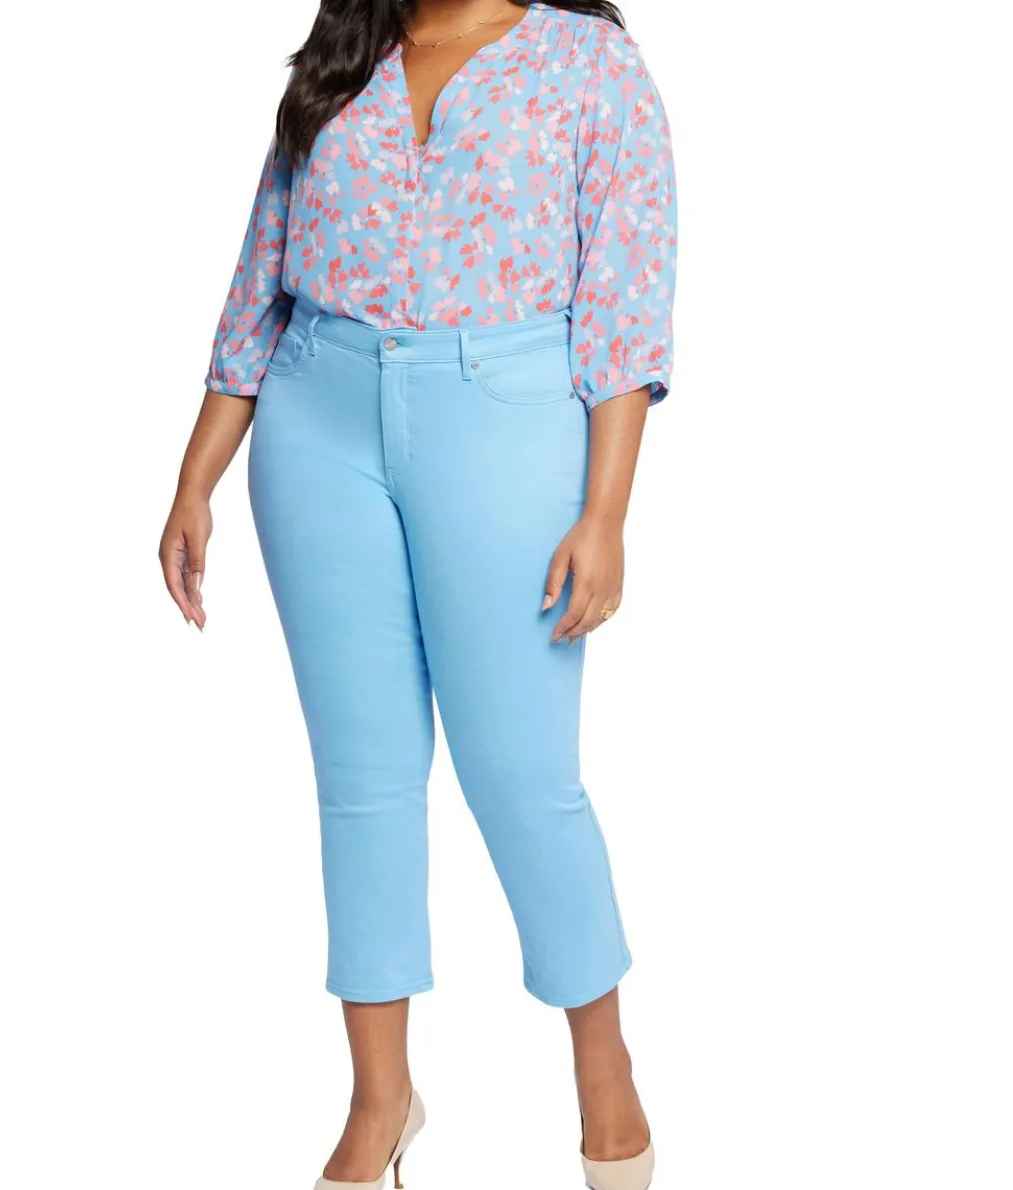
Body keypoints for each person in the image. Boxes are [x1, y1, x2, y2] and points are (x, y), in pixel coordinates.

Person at [159, 3, 677, 1187]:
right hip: (315, 414)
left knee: (522, 778)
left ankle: (604, 1075)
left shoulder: (590, 63)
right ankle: (379, 1097)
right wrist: (195, 475)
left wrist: (605, 512)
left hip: (505, 416)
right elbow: (259, 276)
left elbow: (624, 298)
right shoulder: (346, 54)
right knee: (362, 779)